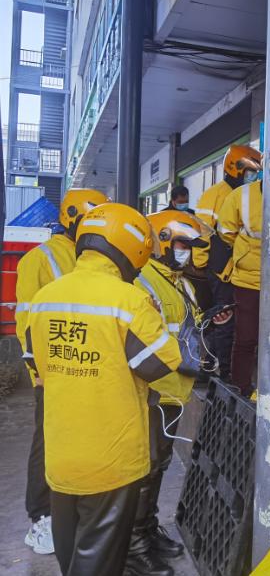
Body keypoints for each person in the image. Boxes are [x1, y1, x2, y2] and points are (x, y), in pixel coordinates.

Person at [24, 203, 182, 576]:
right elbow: (163, 362)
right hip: (111, 462)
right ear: (132, 251)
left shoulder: (46, 298)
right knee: (98, 560)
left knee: (72, 550)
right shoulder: (128, 301)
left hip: (61, 458)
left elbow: (37, 363)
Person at [14, 187, 109, 556]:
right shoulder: (40, 260)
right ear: (71, 220)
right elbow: (27, 320)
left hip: (90, 368)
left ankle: (71, 510)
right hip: (53, 372)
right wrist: (39, 369)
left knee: (79, 442)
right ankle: (41, 515)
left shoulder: (97, 257)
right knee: (48, 442)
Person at [127, 210, 211, 576]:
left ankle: (147, 531)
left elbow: (186, 329)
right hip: (151, 392)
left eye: (190, 247)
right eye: (181, 244)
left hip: (174, 390)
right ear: (161, 241)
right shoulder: (142, 282)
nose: (186, 252)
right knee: (143, 470)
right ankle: (133, 547)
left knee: (158, 466)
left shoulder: (180, 282)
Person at [192, 145, 262, 380]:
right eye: (250, 171)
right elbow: (203, 233)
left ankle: (224, 369)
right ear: (236, 168)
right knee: (223, 322)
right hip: (220, 268)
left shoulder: (247, 194)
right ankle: (219, 371)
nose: (253, 176)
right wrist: (201, 265)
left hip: (233, 268)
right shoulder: (216, 195)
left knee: (232, 322)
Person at [217, 178, 262, 396]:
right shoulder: (241, 196)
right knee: (246, 337)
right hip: (248, 280)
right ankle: (241, 387)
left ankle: (256, 386)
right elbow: (225, 231)